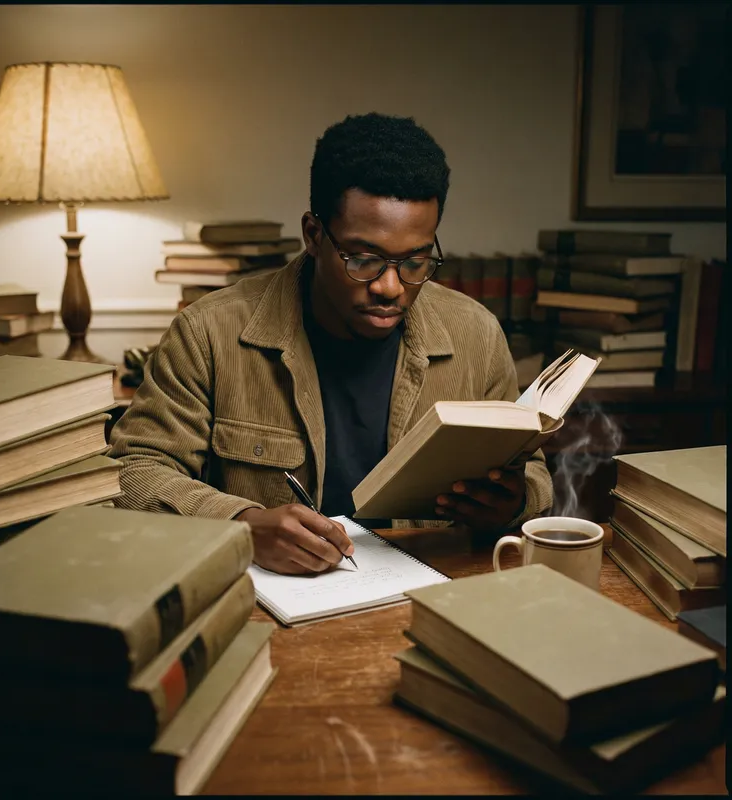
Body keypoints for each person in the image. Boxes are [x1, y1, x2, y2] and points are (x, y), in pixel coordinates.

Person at [109, 112, 553, 575]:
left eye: (416, 262)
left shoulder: (477, 337)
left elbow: (534, 473)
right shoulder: (208, 333)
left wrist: (514, 503)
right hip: (271, 611)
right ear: (314, 236)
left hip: (431, 598)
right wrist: (241, 523)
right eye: (363, 259)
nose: (390, 287)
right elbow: (130, 473)